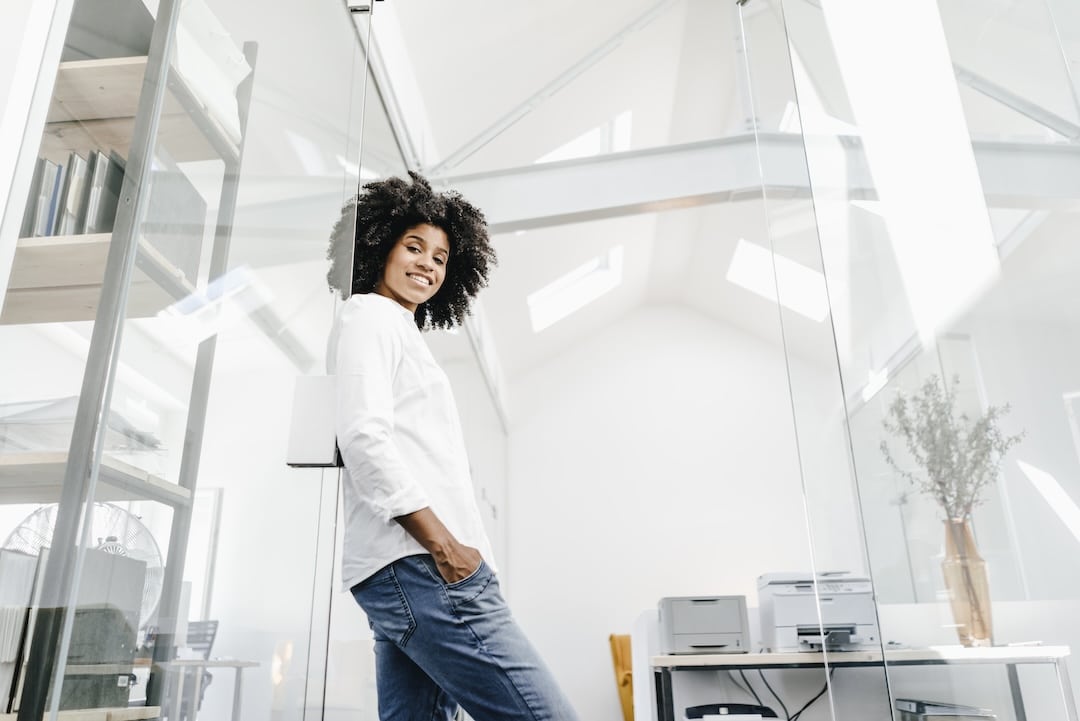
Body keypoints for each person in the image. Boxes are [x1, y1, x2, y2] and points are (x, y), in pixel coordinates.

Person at [325, 172, 580, 721]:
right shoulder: (370, 314)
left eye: (440, 258)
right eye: (413, 246)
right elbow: (364, 438)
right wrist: (446, 547)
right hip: (423, 563)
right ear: (379, 246)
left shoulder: (396, 329)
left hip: (406, 566)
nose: (427, 265)